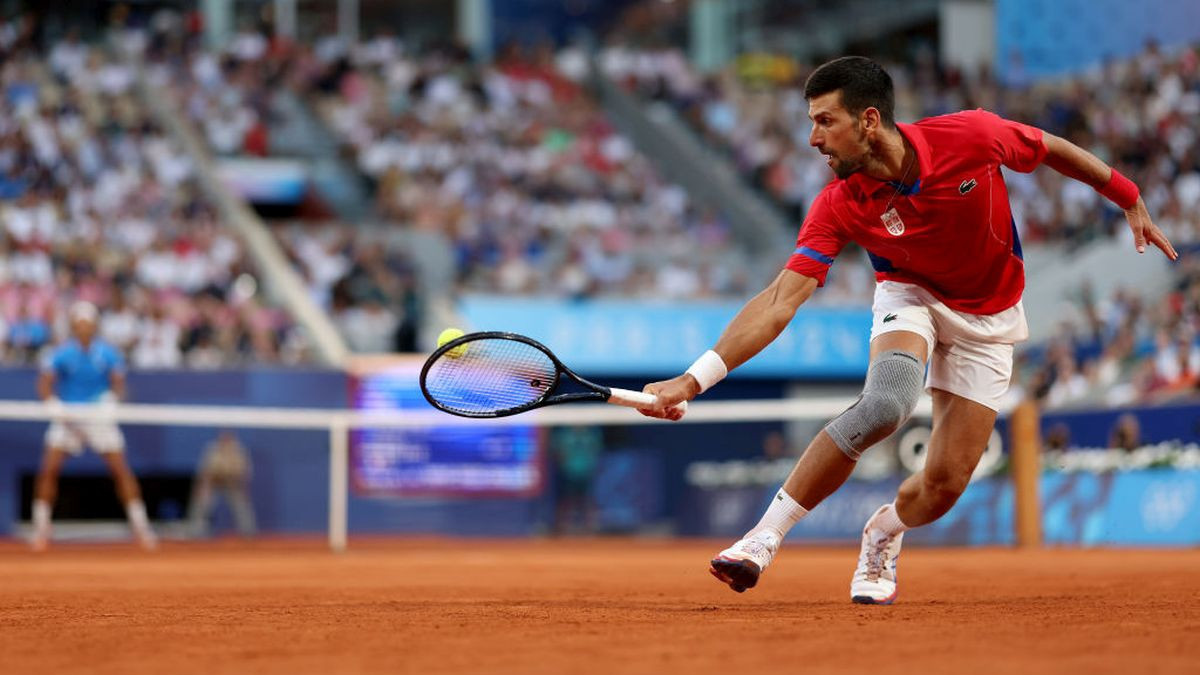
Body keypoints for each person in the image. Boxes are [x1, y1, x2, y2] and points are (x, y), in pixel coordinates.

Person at [639, 56, 1177, 604]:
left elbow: (1052, 149)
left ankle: (883, 531)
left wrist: (1129, 197)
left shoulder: (972, 135)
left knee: (943, 486)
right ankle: (760, 539)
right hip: (910, 294)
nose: (812, 139)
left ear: (868, 121)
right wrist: (693, 380)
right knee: (886, 405)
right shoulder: (837, 204)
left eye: (825, 122)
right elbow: (780, 300)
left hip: (990, 316)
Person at [31, 301, 157, 551]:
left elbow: (119, 385)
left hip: (99, 417)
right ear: (74, 326)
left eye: (88, 324)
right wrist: (56, 407)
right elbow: (44, 384)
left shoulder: (108, 353)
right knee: (49, 469)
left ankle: (140, 527)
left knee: (121, 470)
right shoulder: (62, 353)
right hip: (68, 417)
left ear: (94, 326)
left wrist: (111, 401)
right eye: (79, 324)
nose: (84, 328)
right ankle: (41, 528)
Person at [187, 430, 257, 537]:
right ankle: (196, 531)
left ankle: (248, 533)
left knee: (241, 504)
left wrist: (244, 488)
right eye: (223, 438)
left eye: (228, 438)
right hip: (215, 481)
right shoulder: (212, 449)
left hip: (233, 482)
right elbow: (206, 471)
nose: (225, 440)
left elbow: (245, 471)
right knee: (202, 502)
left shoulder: (239, 450)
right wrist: (204, 488)